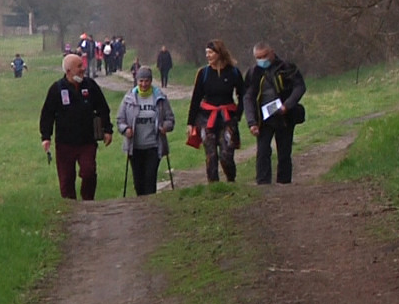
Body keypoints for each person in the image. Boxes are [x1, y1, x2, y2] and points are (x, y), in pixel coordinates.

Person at [39, 54, 114, 200]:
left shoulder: (90, 86)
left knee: (89, 172)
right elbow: (47, 114)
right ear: (68, 71)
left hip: (87, 142)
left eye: (82, 65)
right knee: (66, 180)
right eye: (79, 66)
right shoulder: (57, 89)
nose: (83, 69)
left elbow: (103, 109)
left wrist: (108, 130)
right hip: (65, 143)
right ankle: (71, 209)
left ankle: (88, 202)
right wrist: (46, 137)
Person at [244, 42, 306, 185]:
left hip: (284, 116)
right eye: (258, 58)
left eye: (264, 56)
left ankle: (284, 184)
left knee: (284, 152)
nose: (262, 60)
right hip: (263, 118)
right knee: (263, 152)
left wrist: (287, 105)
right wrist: (251, 122)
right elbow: (248, 97)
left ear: (272, 52)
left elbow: (300, 87)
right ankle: (263, 185)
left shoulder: (286, 67)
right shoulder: (253, 72)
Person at [187, 39, 246, 183]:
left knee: (226, 155)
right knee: (211, 155)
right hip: (206, 119)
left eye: (211, 52)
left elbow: (243, 95)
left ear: (219, 53)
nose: (208, 56)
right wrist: (190, 123)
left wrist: (238, 114)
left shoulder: (233, 72)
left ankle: (231, 180)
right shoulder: (203, 73)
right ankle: (213, 186)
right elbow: (196, 98)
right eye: (206, 53)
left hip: (227, 118)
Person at [117, 66, 175, 196]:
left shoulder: (160, 98)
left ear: (151, 81)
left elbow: (170, 119)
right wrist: (126, 129)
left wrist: (165, 126)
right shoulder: (128, 99)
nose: (144, 84)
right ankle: (141, 207)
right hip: (134, 147)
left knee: (150, 178)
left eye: (147, 81)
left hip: (154, 145)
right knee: (138, 182)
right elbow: (120, 120)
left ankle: (151, 208)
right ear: (137, 81)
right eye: (141, 81)